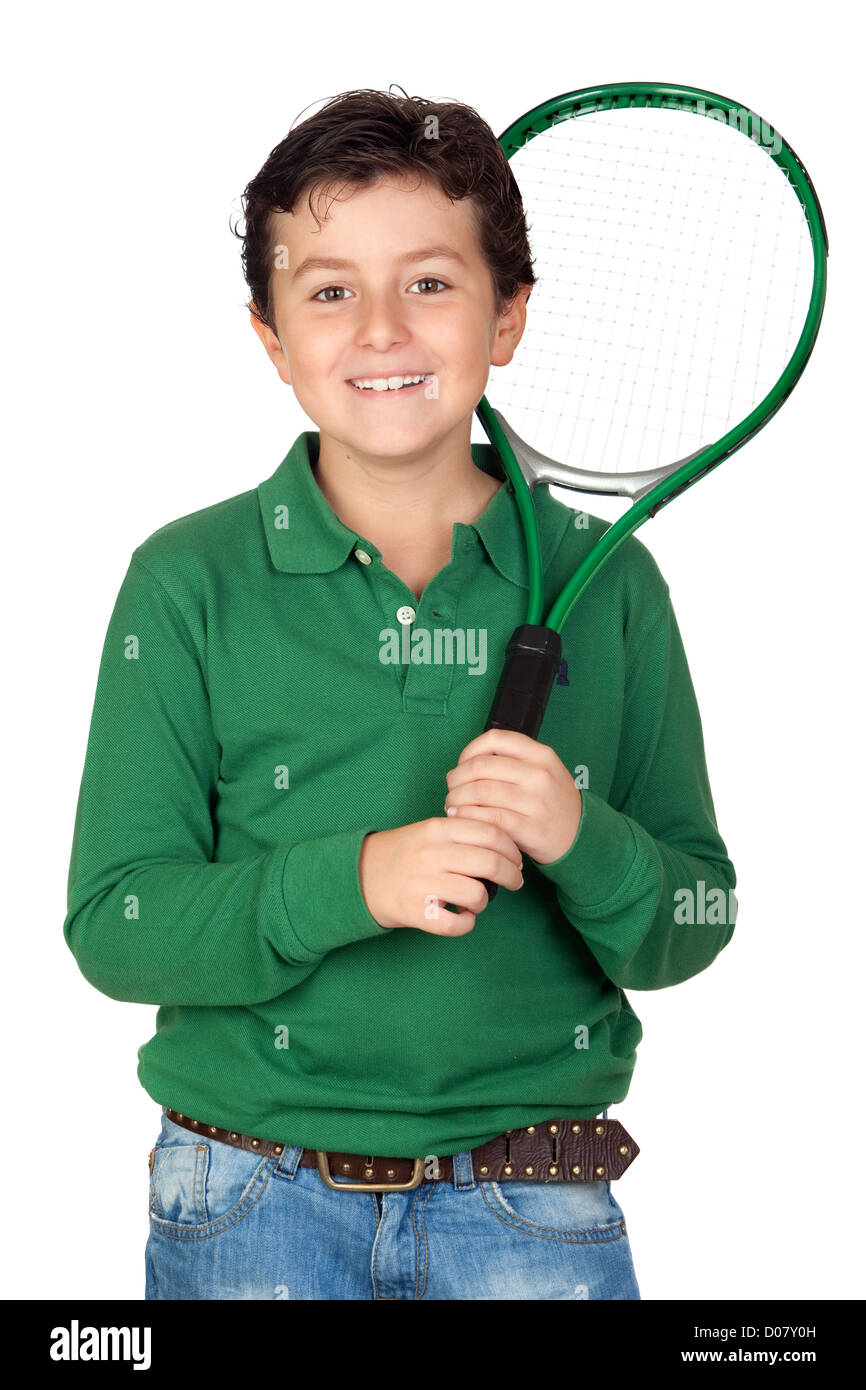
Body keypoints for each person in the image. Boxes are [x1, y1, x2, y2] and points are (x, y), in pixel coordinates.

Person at [63, 87, 737, 1301]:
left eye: (428, 283)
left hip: (534, 1199)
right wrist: (356, 881)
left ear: (508, 316)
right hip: (245, 1198)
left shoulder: (612, 583)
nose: (379, 329)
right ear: (271, 337)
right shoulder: (186, 582)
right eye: (328, 291)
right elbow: (116, 926)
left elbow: (691, 919)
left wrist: (579, 838)